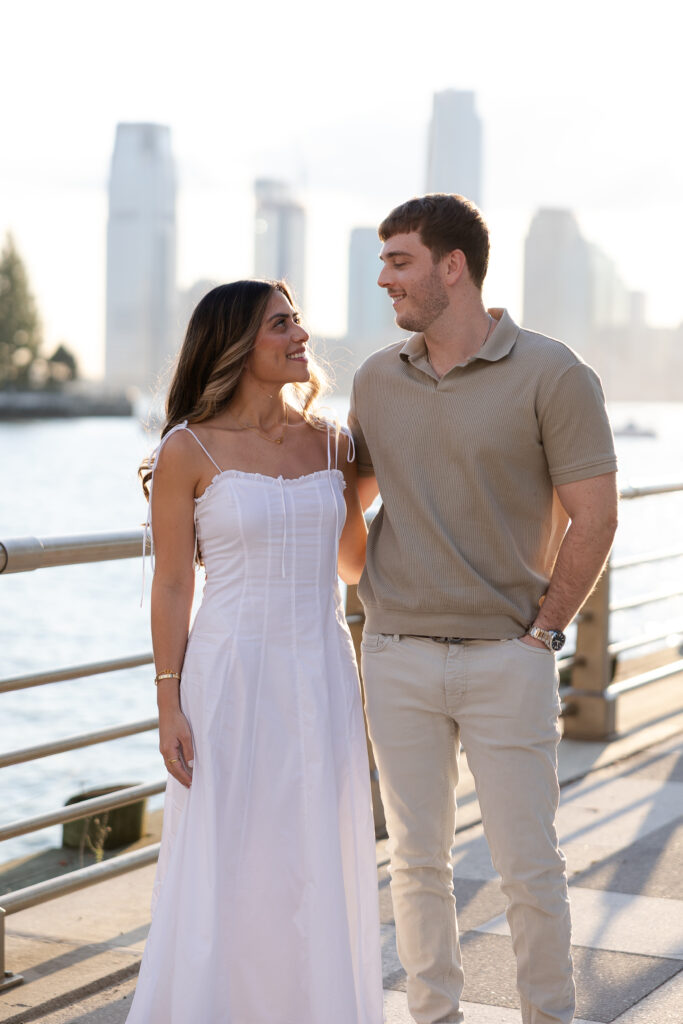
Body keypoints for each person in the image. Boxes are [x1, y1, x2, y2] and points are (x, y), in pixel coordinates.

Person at [348, 194, 619, 1024]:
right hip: (395, 652)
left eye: (399, 260)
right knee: (415, 864)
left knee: (527, 867)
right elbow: (340, 498)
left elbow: (595, 514)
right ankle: (435, 1017)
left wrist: (544, 629)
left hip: (507, 654)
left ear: (451, 266)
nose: (384, 277)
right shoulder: (374, 378)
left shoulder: (551, 371)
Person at [126, 280, 383, 1024]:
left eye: (297, 319)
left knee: (312, 853)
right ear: (236, 344)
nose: (301, 333)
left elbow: (355, 566)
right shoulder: (188, 448)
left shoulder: (333, 442)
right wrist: (167, 700)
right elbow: (173, 583)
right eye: (281, 323)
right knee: (230, 859)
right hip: (228, 676)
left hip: (323, 671)